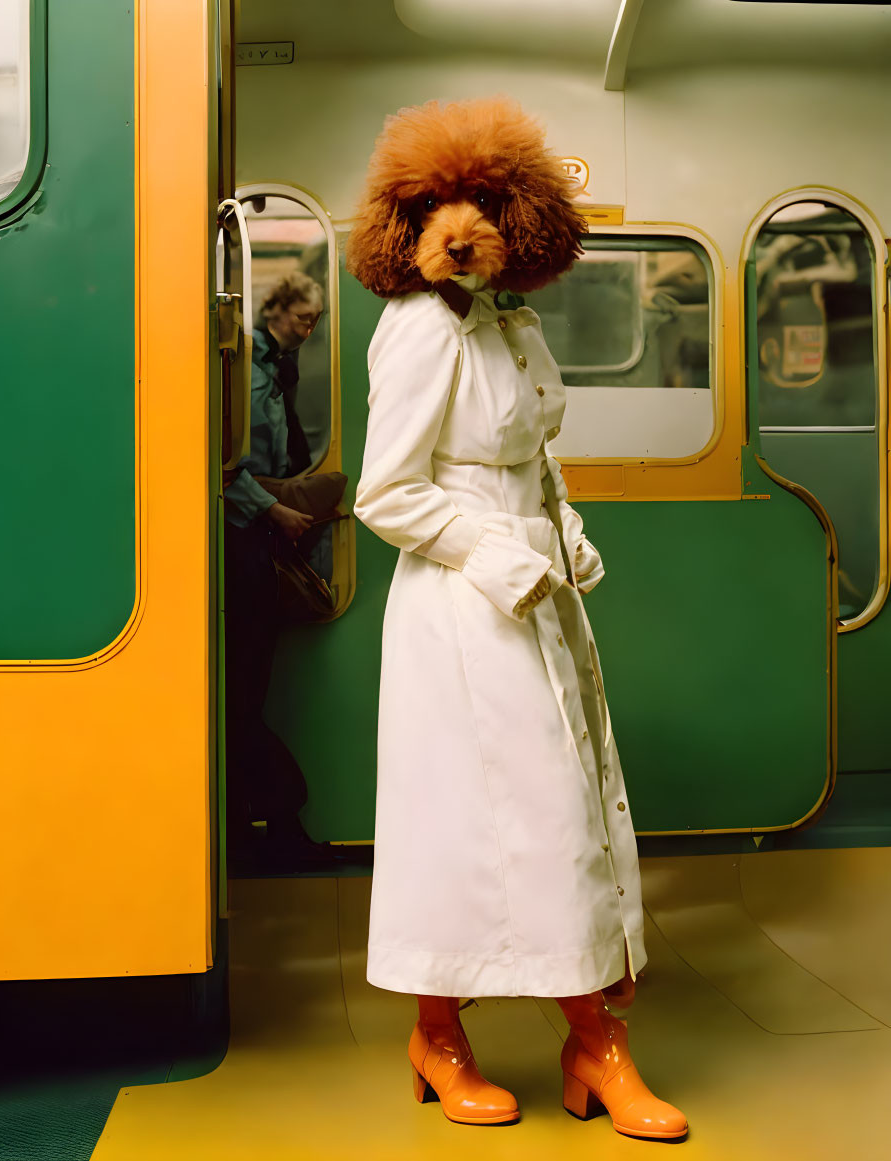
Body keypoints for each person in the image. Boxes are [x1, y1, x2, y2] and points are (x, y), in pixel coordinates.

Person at [348, 97, 687, 1138]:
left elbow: (520, 457)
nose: (459, 228)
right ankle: (444, 1034)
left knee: (569, 805)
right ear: (404, 229)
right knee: (480, 819)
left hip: (532, 584)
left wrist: (560, 523)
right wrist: (503, 551)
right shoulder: (417, 327)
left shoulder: (512, 321)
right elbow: (388, 495)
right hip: (461, 603)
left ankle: (592, 1040)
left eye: (483, 204)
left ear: (523, 218)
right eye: (435, 208)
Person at [224, 270, 327, 869]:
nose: (308, 330)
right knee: (241, 697)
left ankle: (254, 824)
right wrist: (274, 510)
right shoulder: (239, 364)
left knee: (250, 689)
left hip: (258, 527)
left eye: (315, 321)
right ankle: (280, 816)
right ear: (273, 311)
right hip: (241, 532)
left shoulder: (277, 367)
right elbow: (220, 459)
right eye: (301, 319)